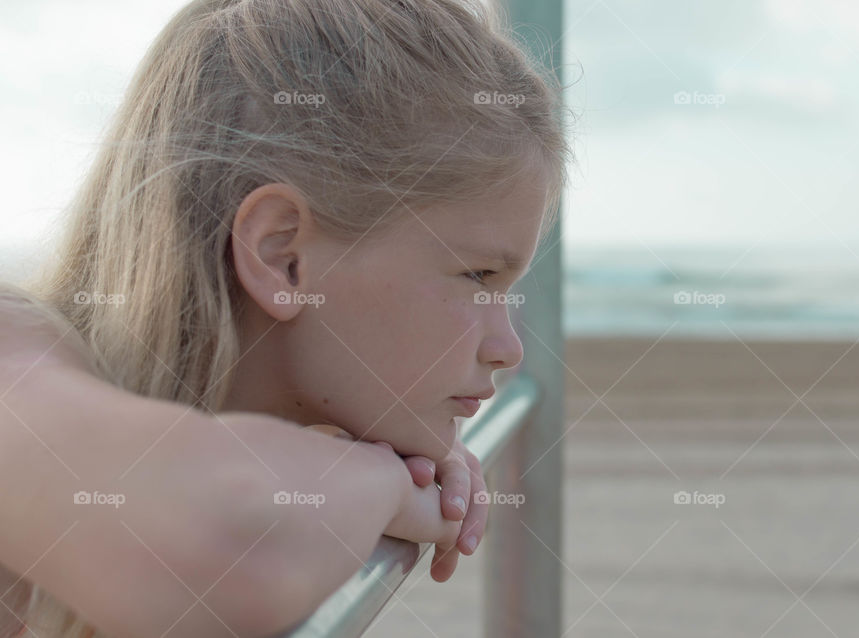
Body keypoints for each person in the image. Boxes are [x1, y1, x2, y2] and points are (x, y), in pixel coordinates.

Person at [0, 0, 570, 635]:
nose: (507, 349)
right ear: (283, 257)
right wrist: (378, 481)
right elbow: (231, 543)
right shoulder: (11, 350)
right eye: (477, 277)